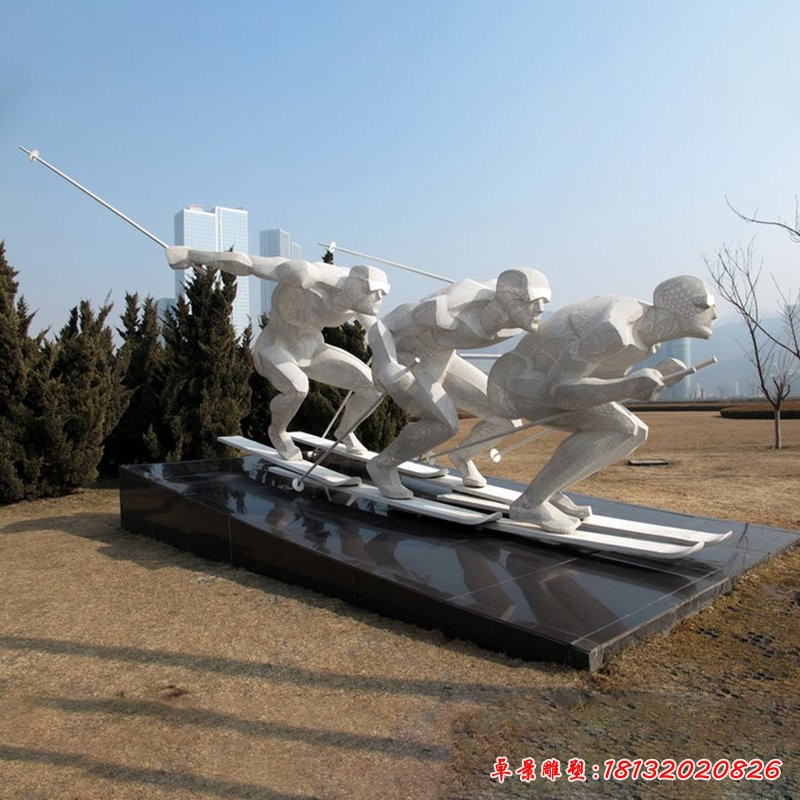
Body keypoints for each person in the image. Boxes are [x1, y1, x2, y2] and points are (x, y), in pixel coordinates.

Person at [487, 275, 718, 533]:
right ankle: (530, 504)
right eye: (706, 303)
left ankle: (550, 491)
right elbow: (561, 393)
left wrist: (646, 382)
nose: (714, 313)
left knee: (631, 430)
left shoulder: (643, 335)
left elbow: (598, 390)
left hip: (538, 382)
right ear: (671, 304)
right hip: (518, 383)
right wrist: (629, 385)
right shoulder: (613, 329)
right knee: (623, 428)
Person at [166, 246, 389, 461]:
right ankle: (278, 431)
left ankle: (345, 431)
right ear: (356, 286)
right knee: (298, 387)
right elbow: (248, 263)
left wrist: (393, 364)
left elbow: (377, 334)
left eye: (384, 292)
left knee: (374, 387)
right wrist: (191, 254)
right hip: (275, 348)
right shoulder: (308, 275)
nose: (380, 298)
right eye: (375, 291)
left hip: (313, 352)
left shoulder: (357, 303)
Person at [365, 268, 552, 499]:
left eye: (545, 301)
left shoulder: (515, 325)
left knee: (507, 417)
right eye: (534, 301)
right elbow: (381, 326)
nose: (541, 308)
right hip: (407, 361)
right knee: (445, 424)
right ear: (511, 301)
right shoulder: (446, 309)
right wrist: (387, 362)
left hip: (444, 359)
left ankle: (462, 456)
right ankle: (382, 465)